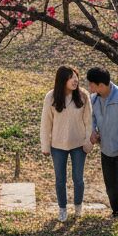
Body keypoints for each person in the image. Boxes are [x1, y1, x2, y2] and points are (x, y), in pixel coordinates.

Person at [40, 65, 93, 222]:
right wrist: (45, 145)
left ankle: (78, 207)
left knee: (78, 178)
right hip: (58, 145)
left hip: (79, 145)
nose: (75, 80)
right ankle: (62, 209)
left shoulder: (83, 96)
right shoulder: (51, 97)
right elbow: (45, 124)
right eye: (71, 77)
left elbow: (89, 122)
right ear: (62, 80)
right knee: (60, 179)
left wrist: (88, 142)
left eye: (76, 76)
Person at [85, 66, 118, 219]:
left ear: (101, 85)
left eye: (91, 84)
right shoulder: (94, 99)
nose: (89, 87)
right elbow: (92, 118)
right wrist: (93, 131)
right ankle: (117, 212)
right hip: (106, 149)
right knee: (111, 187)